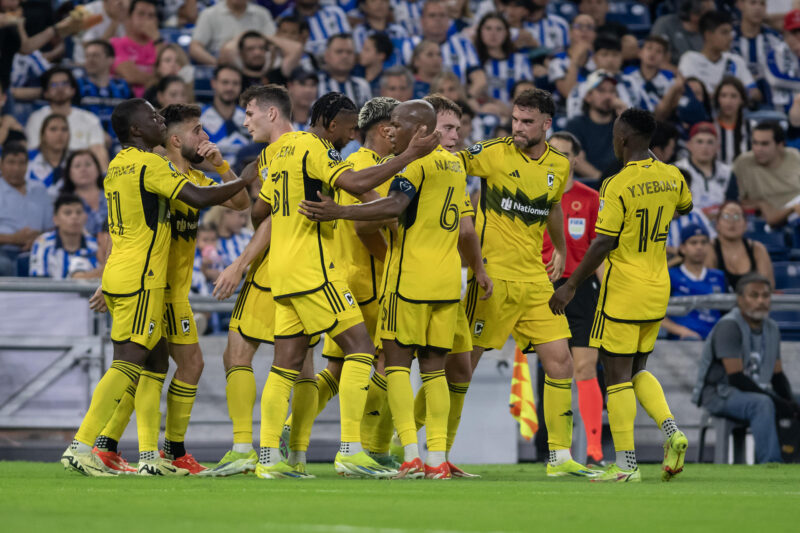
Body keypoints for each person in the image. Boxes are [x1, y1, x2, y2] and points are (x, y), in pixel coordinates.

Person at [228, 87, 439, 479]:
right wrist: (409, 156)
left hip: (283, 272)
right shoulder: (315, 148)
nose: (351, 131)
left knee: (285, 365)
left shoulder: (280, 152)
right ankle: (350, 450)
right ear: (330, 123)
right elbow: (357, 186)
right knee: (360, 350)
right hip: (316, 268)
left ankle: (270, 458)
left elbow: (261, 213)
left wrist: (292, 218)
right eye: (346, 125)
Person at [60, 97, 258, 477]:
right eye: (197, 131)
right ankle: (86, 445)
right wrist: (245, 175)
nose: (204, 136)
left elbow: (231, 202)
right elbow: (199, 200)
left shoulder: (119, 165)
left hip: (139, 279)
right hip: (149, 283)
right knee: (133, 363)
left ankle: (147, 456)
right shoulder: (154, 167)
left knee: (151, 365)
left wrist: (221, 166)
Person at [298, 99, 473, 479]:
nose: (392, 130)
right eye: (389, 124)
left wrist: (340, 211)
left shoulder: (408, 165)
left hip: (402, 280)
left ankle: (401, 452)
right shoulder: (456, 164)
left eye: (398, 123)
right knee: (433, 372)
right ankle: (435, 458)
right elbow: (463, 226)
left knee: (391, 366)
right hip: (445, 282)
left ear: (418, 129)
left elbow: (392, 208)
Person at [551, 108, 694, 482]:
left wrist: (570, 285)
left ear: (625, 139)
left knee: (616, 377)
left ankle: (626, 465)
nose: (613, 141)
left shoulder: (615, 184)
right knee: (638, 369)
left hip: (623, 289)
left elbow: (603, 243)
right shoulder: (672, 174)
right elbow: (685, 207)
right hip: (657, 285)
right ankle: (672, 431)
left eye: (616, 135)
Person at [457, 88, 594, 478]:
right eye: (516, 120)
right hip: (492, 277)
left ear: (546, 124)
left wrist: (564, 252)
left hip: (535, 279)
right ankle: (433, 452)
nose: (518, 128)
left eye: (527, 122)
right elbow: (450, 165)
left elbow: (553, 207)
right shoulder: (492, 152)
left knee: (561, 362)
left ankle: (559, 456)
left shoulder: (559, 165)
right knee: (462, 368)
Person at [541, 131, 603, 466]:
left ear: (575, 159)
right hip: (541, 287)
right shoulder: (535, 194)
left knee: (585, 366)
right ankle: (553, 448)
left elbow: (600, 251)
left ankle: (593, 449)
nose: (560, 159)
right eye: (554, 152)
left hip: (580, 289)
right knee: (553, 369)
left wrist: (605, 294)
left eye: (565, 154)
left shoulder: (590, 198)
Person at [693, 272, 800, 464]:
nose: (761, 301)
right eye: (754, 295)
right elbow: (735, 377)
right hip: (718, 393)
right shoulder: (729, 326)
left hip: (753, 391)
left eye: (765, 296)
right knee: (762, 404)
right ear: (740, 299)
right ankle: (771, 464)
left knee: (793, 401)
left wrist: (790, 403)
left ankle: (794, 461)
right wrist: (777, 402)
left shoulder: (772, 328)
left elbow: (777, 375)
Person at [25, 67, 108, 169]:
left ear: (73, 90)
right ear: (46, 93)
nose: (60, 88)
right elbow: (33, 151)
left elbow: (98, 151)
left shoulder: (89, 118)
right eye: (54, 85)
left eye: (65, 83)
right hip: (44, 170)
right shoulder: (36, 118)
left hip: (80, 170)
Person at [662, 225, 728, 340]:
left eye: (704, 242)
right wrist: (682, 331)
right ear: (682, 248)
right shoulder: (670, 276)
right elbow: (654, 312)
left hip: (714, 342)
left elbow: (729, 312)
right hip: (679, 344)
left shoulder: (719, 277)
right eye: (693, 243)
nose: (699, 247)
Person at [678, 11, 757, 100]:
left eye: (730, 32)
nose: (730, 37)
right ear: (708, 35)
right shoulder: (690, 59)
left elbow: (754, 92)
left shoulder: (735, 60)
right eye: (724, 32)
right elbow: (692, 93)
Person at [0, 143, 53, 276]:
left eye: (21, 163)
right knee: (4, 265)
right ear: (1, 164)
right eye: (11, 162)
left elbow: (51, 227)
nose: (16, 168)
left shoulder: (40, 190)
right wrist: (13, 238)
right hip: (3, 250)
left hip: (36, 248)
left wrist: (37, 239)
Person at [734, 121, 800, 226]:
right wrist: (761, 205)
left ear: (780, 145)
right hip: (766, 222)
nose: (758, 149)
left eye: (765, 144)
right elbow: (734, 202)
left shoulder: (795, 157)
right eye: (755, 143)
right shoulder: (743, 163)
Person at [400, 0, 480, 85]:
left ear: (449, 20)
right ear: (422, 21)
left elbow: (479, 78)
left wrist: (467, 97)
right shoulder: (409, 45)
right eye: (432, 15)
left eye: (442, 15)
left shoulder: (463, 43)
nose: (437, 19)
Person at [705, 200, 775, 291]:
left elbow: (767, 287)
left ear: (746, 224)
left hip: (752, 303)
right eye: (726, 216)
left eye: (737, 216)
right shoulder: (709, 248)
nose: (732, 222)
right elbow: (709, 286)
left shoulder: (758, 249)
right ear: (717, 224)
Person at [563, 70, 621, 180]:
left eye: (612, 91)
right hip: (589, 185)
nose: (608, 96)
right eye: (601, 91)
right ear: (588, 96)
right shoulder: (575, 125)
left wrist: (625, 113)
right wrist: (603, 181)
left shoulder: (621, 125)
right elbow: (576, 161)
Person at [29, 193, 100, 279]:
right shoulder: (43, 243)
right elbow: (38, 282)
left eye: (79, 212)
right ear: (55, 219)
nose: (74, 217)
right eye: (68, 213)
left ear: (85, 217)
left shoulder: (95, 245)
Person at [675, 121, 738, 217]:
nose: (705, 147)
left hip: (720, 226)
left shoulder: (727, 172)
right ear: (689, 145)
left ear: (717, 147)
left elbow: (732, 204)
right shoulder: (675, 171)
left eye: (710, 142)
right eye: (699, 141)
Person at [77, 39, 133, 141]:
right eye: (87, 56)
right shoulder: (77, 85)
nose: (90, 60)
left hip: (120, 143)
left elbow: (133, 117)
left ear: (110, 60)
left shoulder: (123, 87)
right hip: (86, 140)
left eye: (95, 55)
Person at [190, 0, 277, 66]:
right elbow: (195, 47)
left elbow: (273, 44)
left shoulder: (262, 14)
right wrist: (217, 64)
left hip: (254, 67)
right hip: (223, 66)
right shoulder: (209, 14)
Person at [473, 13, 533, 105]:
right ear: (480, 32)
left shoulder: (520, 60)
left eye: (499, 29)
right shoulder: (473, 60)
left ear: (506, 33)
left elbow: (529, 92)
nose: (493, 34)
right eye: (488, 28)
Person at [732, 0, 783, 102]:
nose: (758, 8)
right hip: (735, 99)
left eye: (762, 4)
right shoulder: (728, 37)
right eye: (753, 3)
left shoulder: (775, 39)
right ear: (740, 4)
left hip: (772, 100)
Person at [110, 0, 160, 98]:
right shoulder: (116, 43)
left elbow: (168, 77)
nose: (146, 19)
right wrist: (157, 79)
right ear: (129, 17)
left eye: (151, 16)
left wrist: (156, 38)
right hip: (126, 101)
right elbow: (131, 76)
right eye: (141, 14)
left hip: (157, 101)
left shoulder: (160, 44)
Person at [201, 65, 250, 164]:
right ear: (213, 83)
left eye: (235, 83)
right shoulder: (198, 117)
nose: (230, 88)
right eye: (225, 82)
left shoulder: (250, 117)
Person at [547, 13, 597, 108]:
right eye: (579, 26)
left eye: (589, 27)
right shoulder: (557, 61)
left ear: (595, 34)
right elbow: (568, 93)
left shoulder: (598, 60)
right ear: (570, 33)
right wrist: (574, 60)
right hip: (564, 111)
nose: (584, 30)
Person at [650, 0, 716, 66]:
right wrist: (681, 74)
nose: (714, 18)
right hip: (670, 73)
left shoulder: (712, 32)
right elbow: (655, 59)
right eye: (709, 14)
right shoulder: (665, 24)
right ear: (694, 15)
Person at [61, 150, 108, 241]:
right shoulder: (64, 203)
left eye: (88, 164)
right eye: (77, 166)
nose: (83, 169)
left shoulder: (113, 195)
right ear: (69, 173)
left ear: (98, 169)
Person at [281, 0, 351, 59]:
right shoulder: (284, 20)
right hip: (301, 72)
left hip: (337, 69)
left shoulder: (336, 13)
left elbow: (348, 46)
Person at [623, 35, 675, 114]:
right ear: (640, 52)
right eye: (649, 48)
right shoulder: (628, 74)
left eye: (659, 51)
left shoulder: (669, 78)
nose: (653, 53)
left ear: (664, 58)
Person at [317, 34, 372, 108]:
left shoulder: (362, 85)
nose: (344, 56)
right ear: (326, 56)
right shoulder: (315, 83)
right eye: (339, 52)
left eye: (349, 52)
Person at [712, 76, 751, 166]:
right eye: (723, 95)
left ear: (742, 100)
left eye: (733, 96)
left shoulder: (751, 127)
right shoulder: (711, 127)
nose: (728, 101)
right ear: (718, 99)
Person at [26, 114, 69, 194]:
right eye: (53, 129)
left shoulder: (74, 161)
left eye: (64, 129)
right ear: (43, 135)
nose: (59, 134)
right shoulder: (27, 158)